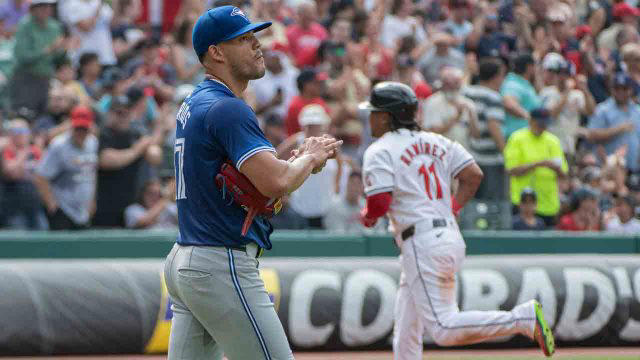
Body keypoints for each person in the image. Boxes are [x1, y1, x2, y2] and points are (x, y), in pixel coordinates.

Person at [163, 6, 342, 360]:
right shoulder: (228, 108)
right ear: (216, 52)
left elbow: (258, 180)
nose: (257, 45)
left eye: (254, 36)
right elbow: (275, 182)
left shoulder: (198, 101)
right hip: (219, 258)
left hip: (187, 256)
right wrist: (310, 156)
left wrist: (296, 166)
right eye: (244, 39)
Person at [357, 81, 554, 359]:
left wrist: (367, 216)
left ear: (387, 116)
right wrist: (452, 208)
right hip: (446, 235)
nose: (370, 118)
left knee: (443, 328)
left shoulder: (380, 150)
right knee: (406, 329)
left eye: (374, 112)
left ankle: (521, 319)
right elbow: (473, 175)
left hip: (422, 242)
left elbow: (380, 202)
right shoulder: (439, 140)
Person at [93, 94, 164, 228]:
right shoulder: (104, 133)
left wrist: (152, 142)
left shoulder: (135, 133)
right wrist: (138, 149)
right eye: (119, 112)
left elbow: (155, 157)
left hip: (130, 207)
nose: (123, 116)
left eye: (127, 111)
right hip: (105, 206)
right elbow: (106, 160)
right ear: (110, 113)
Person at [33, 105, 98, 230]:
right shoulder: (59, 146)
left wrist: (92, 200)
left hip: (83, 211)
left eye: (84, 129)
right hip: (64, 210)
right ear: (71, 126)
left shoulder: (93, 142)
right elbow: (40, 176)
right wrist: (52, 206)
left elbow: (92, 172)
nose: (81, 133)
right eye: (78, 128)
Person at [504, 108, 568, 227]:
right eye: (540, 124)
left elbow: (564, 174)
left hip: (548, 204)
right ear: (531, 121)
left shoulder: (553, 141)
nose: (542, 127)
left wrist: (555, 168)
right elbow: (511, 170)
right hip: (523, 203)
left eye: (545, 124)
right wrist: (538, 164)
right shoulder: (517, 138)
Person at [10, 0, 65, 118]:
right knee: (24, 115)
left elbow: (58, 58)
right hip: (26, 78)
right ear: (33, 8)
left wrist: (63, 49)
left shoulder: (54, 27)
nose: (46, 9)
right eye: (42, 6)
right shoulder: (24, 25)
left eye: (48, 6)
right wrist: (48, 50)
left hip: (46, 78)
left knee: (43, 116)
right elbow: (22, 56)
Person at [462, 57, 507, 200]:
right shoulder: (493, 97)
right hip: (491, 160)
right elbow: (493, 126)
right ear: (496, 77)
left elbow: (463, 84)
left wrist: (469, 71)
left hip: (472, 156)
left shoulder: (468, 92)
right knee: (492, 202)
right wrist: (506, 154)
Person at [583, 73, 640, 173]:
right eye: (617, 88)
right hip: (609, 169)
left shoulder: (637, 110)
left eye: (624, 88)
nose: (621, 92)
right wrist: (618, 129)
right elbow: (591, 135)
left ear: (630, 90)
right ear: (612, 89)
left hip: (634, 168)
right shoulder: (603, 109)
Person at [1, 119, 47, 230]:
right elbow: (11, 173)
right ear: (9, 134)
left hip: (35, 206)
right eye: (16, 131)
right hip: (13, 209)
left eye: (23, 131)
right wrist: (25, 151)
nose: (19, 135)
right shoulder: (5, 151)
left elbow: (44, 174)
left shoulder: (36, 151)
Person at [501, 53, 541, 139]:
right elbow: (508, 103)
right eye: (535, 66)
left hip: (527, 138)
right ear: (530, 67)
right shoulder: (513, 83)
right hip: (517, 138)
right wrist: (532, 119)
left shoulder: (524, 83)